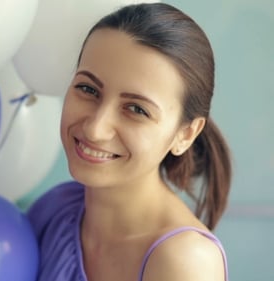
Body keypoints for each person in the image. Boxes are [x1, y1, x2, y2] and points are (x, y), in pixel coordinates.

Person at [26, 3, 232, 281]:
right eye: (88, 89)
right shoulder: (56, 210)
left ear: (185, 134)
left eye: (136, 109)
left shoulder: (184, 262)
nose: (96, 128)